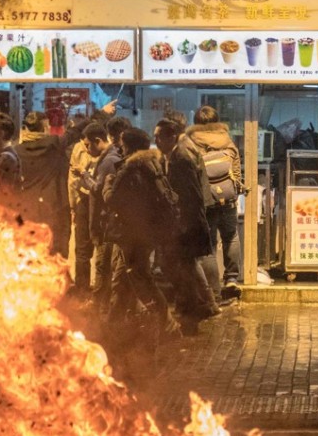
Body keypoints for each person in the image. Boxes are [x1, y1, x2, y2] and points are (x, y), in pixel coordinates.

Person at [103, 127, 180, 334]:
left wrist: (107, 185)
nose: (119, 147)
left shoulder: (130, 169)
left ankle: (164, 322)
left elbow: (113, 200)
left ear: (128, 145)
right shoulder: (153, 164)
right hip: (145, 233)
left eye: (121, 143)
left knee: (140, 277)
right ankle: (116, 322)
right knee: (127, 277)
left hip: (132, 234)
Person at [153, 118, 219, 322]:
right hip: (185, 223)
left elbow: (191, 195)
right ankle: (203, 303)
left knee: (182, 265)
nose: (156, 141)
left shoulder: (181, 159)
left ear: (171, 137)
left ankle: (197, 305)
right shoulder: (175, 156)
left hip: (187, 224)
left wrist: (183, 223)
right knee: (187, 265)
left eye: (159, 137)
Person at [187, 105, 244, 303]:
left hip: (206, 200)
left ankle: (213, 289)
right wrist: (233, 193)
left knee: (209, 244)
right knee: (231, 236)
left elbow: (191, 173)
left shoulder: (191, 143)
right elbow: (236, 172)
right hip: (227, 199)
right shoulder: (228, 141)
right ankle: (232, 279)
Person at [14, 111, 70, 257]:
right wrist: (102, 113)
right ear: (44, 127)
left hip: (27, 207)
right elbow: (76, 132)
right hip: (53, 207)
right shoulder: (54, 145)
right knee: (55, 251)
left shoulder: (17, 151)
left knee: (30, 250)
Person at [91, 116, 131, 313]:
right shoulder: (123, 160)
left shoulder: (113, 161)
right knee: (122, 271)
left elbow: (110, 197)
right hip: (121, 225)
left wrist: (100, 186)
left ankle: (109, 312)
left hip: (115, 224)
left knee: (110, 269)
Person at [67, 121, 108, 299]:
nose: (86, 147)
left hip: (100, 203)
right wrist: (73, 205)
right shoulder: (79, 148)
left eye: (88, 144)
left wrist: (84, 173)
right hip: (83, 200)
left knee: (102, 247)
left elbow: (99, 186)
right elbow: (72, 180)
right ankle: (82, 289)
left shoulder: (108, 156)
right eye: (84, 144)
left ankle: (101, 291)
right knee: (82, 248)